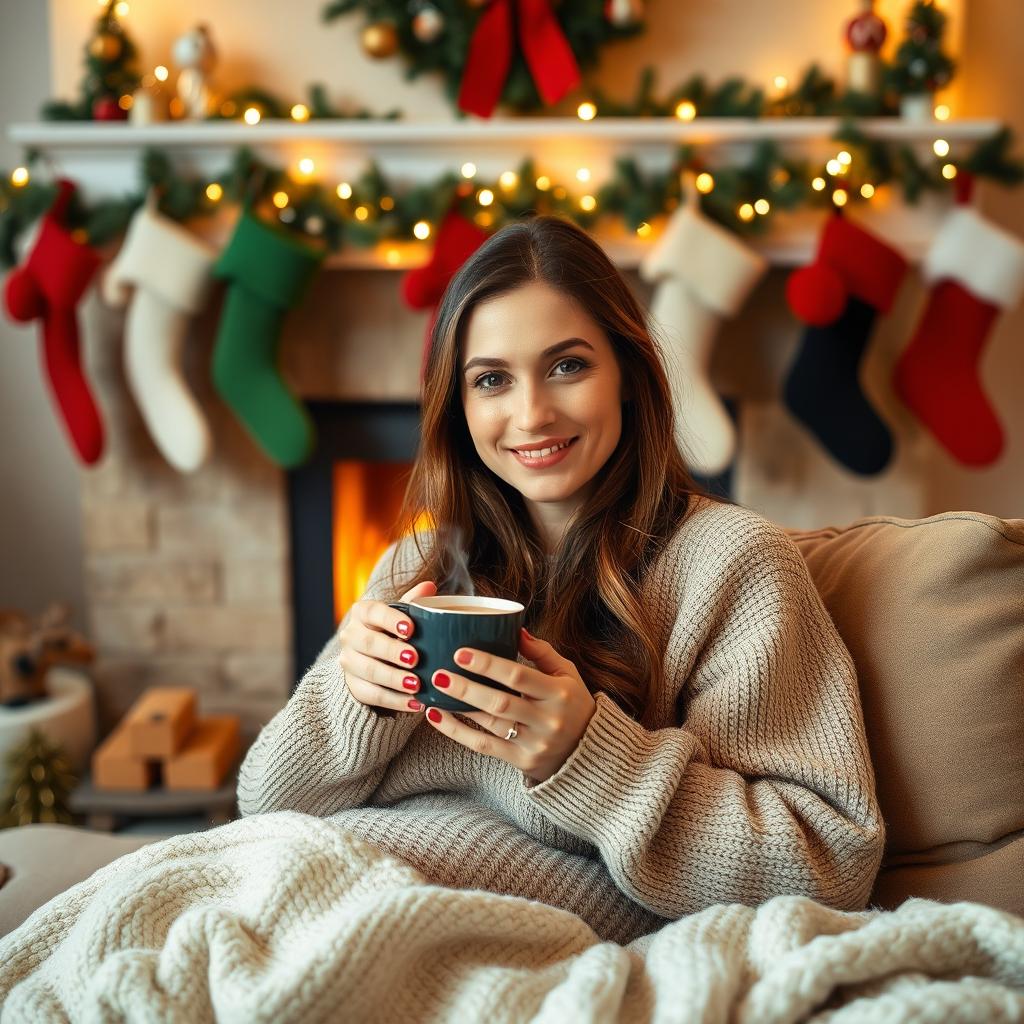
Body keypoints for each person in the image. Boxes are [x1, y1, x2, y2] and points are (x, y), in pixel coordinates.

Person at [237, 214, 886, 945]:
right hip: (321, 889)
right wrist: (352, 698)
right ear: (460, 405)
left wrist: (588, 756)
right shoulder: (413, 571)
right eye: (491, 380)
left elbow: (829, 868)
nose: (532, 414)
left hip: (457, 933)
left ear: (629, 379)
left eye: (568, 365)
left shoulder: (731, 564)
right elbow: (264, 804)